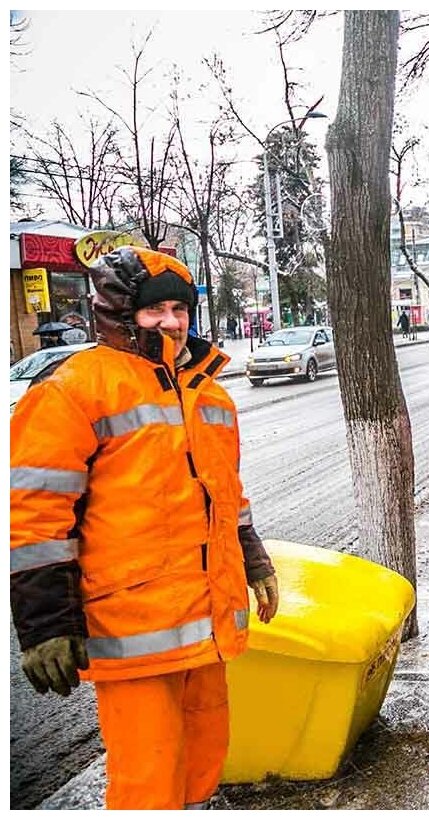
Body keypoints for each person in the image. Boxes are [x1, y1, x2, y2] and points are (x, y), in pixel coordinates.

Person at [10, 246, 279, 810]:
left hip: (206, 623)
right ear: (118, 313)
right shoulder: (74, 388)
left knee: (204, 765)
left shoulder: (209, 393)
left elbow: (226, 495)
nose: (172, 323)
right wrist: (44, 624)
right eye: (157, 311)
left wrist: (253, 560)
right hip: (133, 627)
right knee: (147, 785)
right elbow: (36, 514)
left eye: (181, 310)